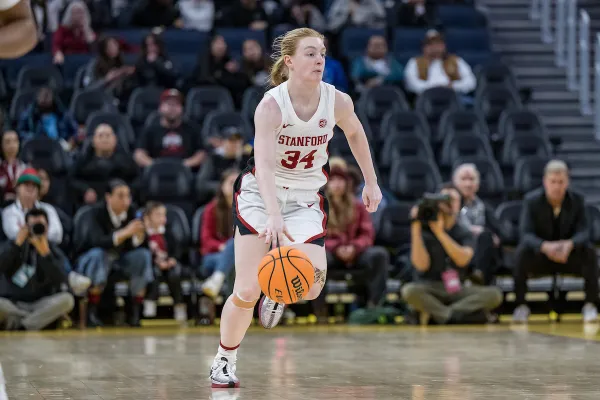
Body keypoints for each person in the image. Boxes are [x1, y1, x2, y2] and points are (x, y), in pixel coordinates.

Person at [209, 27, 382, 388]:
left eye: (322, 53)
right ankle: (224, 359)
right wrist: (272, 213)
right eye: (310, 53)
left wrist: (371, 180)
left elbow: (355, 134)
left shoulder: (337, 101)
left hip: (305, 197)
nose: (319, 59)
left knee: (313, 286)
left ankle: (277, 291)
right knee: (245, 290)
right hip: (261, 195)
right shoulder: (271, 105)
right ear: (289, 61)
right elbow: (266, 165)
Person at [401, 184, 503, 325]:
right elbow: (421, 265)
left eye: (452, 199)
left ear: (460, 205)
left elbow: (463, 260)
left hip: (457, 288)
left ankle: (439, 314)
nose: (447, 202)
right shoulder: (423, 231)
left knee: (494, 295)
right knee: (409, 291)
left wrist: (440, 233)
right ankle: (456, 315)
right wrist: (415, 225)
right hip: (430, 287)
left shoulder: (464, 231)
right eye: (444, 198)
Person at [512, 160, 598, 323]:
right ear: (545, 182)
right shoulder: (531, 201)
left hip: (569, 256)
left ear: (567, 182)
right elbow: (525, 233)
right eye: (553, 182)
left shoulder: (578, 200)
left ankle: (590, 305)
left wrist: (570, 244)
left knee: (590, 252)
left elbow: (585, 231)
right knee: (521, 252)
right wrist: (544, 246)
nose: (557, 187)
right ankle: (521, 305)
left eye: (561, 182)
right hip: (541, 256)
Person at [0, 208, 74, 331]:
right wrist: (16, 246)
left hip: (41, 303)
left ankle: (22, 325)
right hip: (14, 303)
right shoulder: (14, 245)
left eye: (41, 226)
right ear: (25, 227)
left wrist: (46, 255)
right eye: (33, 226)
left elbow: (62, 280)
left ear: (47, 227)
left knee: (67, 300)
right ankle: (33, 322)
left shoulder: (52, 249)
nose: (37, 230)